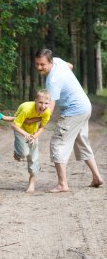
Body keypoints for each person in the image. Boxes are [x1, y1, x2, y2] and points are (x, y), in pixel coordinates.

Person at [35, 48, 104, 193]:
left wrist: (38, 124)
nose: (39, 67)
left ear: (50, 62)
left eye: (42, 64)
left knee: (57, 143)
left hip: (74, 111)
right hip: (85, 106)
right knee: (81, 142)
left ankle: (62, 184)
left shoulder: (52, 80)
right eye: (37, 64)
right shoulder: (59, 62)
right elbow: (70, 66)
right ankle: (97, 177)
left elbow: (49, 109)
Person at [12, 89, 51, 193]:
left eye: (46, 103)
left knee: (33, 157)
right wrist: (26, 134)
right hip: (20, 129)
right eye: (40, 102)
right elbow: (14, 125)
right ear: (35, 101)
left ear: (49, 103)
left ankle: (32, 182)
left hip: (32, 132)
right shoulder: (26, 109)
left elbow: (42, 127)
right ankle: (18, 152)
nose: (43, 106)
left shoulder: (47, 112)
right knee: (24, 153)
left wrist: (34, 136)